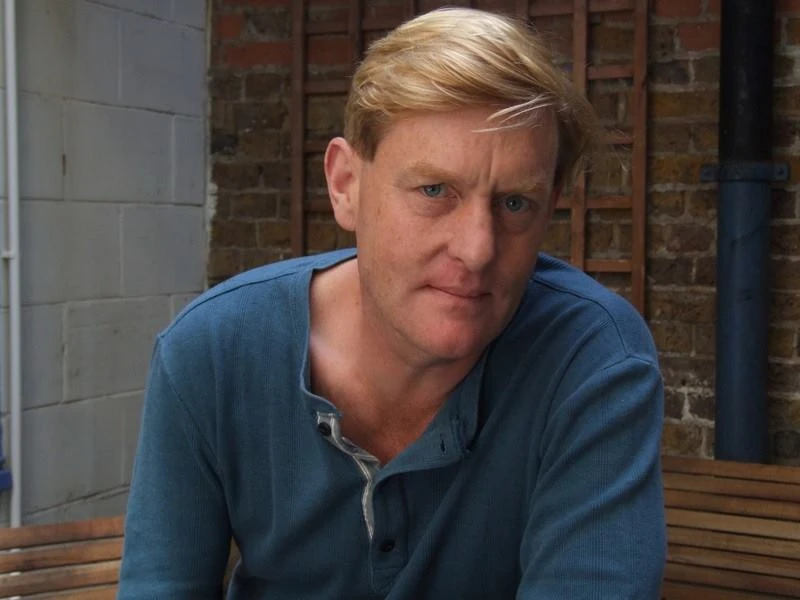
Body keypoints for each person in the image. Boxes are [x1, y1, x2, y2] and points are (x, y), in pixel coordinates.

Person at [118, 7, 665, 599]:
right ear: (345, 185)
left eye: (515, 203)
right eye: (434, 190)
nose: (478, 249)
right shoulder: (212, 352)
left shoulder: (592, 360)